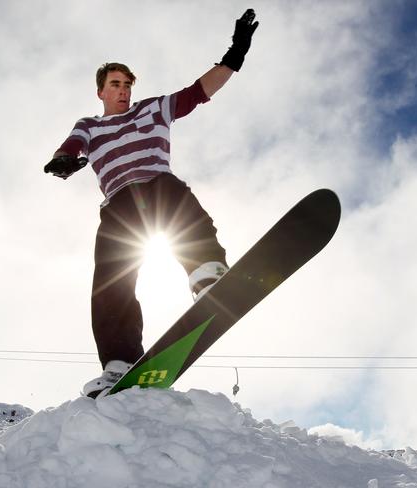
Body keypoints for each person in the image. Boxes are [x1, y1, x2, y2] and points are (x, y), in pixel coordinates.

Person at [45, 9, 259, 398]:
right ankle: (119, 362)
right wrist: (65, 158)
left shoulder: (152, 108)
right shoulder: (89, 126)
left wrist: (234, 56)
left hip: (159, 186)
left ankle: (207, 275)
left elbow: (199, 92)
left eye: (127, 84)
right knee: (111, 279)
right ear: (101, 91)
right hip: (118, 205)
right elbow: (73, 144)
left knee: (185, 216)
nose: (124, 90)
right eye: (116, 84)